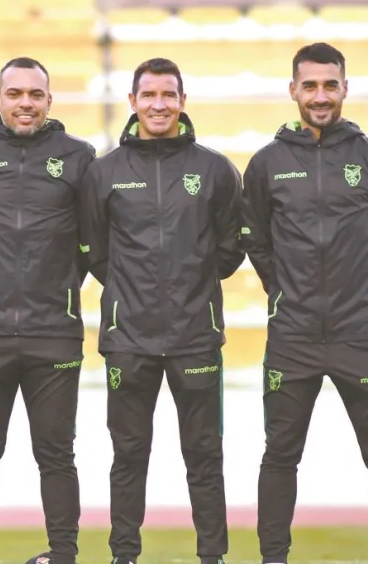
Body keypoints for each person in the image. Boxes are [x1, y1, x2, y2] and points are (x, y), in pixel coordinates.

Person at [241, 42, 368, 564]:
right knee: (279, 457)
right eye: (310, 85)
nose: (320, 95)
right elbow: (257, 243)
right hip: (292, 337)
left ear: (345, 88)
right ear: (293, 90)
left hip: (362, 334)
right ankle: (273, 558)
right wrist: (289, 292)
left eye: (330, 84)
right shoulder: (267, 163)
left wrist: (364, 290)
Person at [79, 57, 245, 564]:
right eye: (148, 95)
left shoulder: (214, 169)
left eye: (167, 95)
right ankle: (124, 555)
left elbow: (230, 249)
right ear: (132, 102)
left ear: (182, 101)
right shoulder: (103, 171)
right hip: (128, 339)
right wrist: (135, 292)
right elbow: (94, 251)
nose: (158, 105)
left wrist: (188, 286)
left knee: (204, 457)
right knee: (129, 456)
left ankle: (212, 557)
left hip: (197, 335)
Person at [0, 57, 95, 564]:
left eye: (36, 94)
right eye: (15, 94)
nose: (26, 103)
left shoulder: (80, 157)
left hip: (54, 332)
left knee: (57, 455)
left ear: (50, 101)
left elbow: (93, 244)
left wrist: (58, 292)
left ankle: (64, 555)